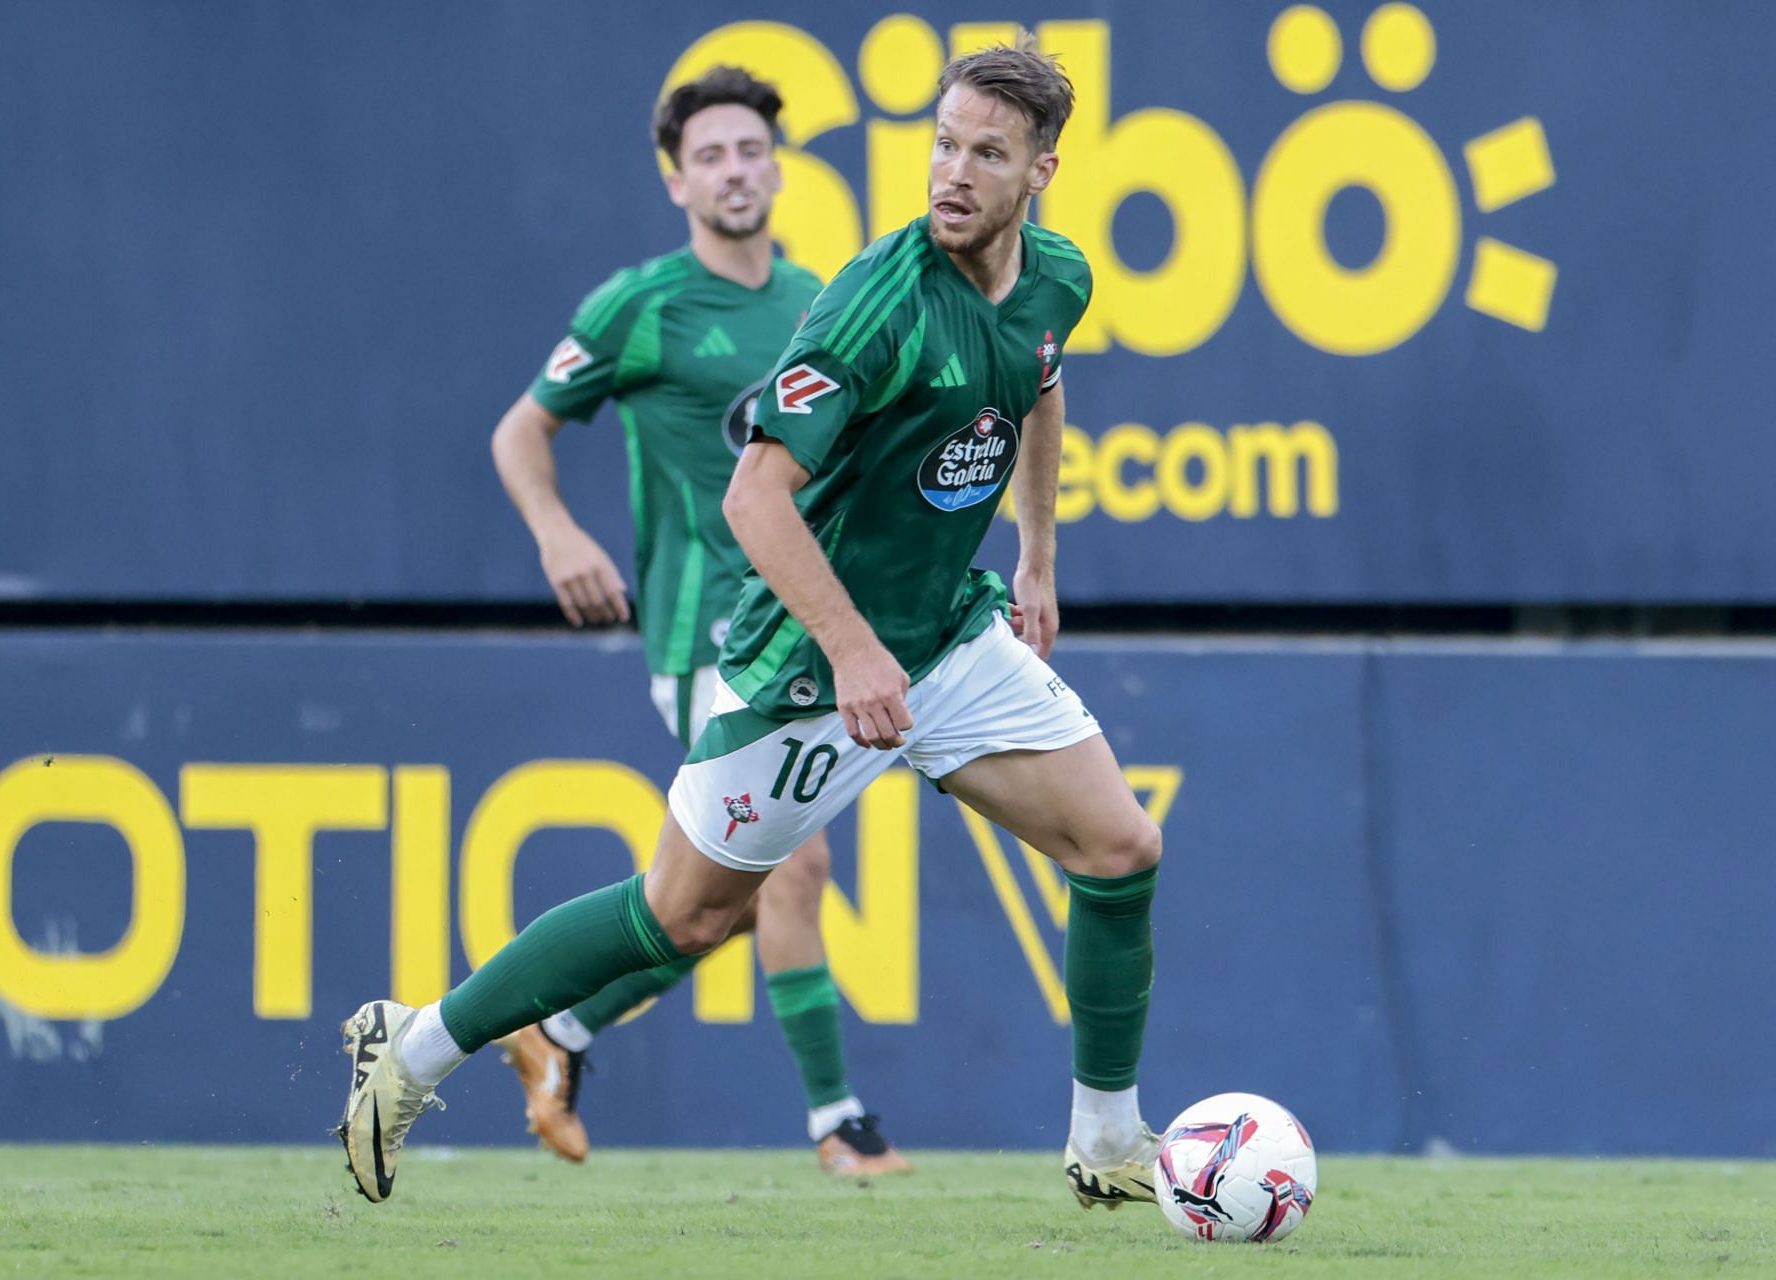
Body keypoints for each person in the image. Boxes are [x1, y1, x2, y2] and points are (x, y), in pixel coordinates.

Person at [337, 36, 1165, 1213]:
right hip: (807, 666)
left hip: (946, 636)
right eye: (941, 143)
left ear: (1042, 172)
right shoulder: (876, 300)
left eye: (988, 151)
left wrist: (1036, 550)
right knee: (684, 911)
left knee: (1121, 848)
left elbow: (1037, 380)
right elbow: (752, 496)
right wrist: (851, 649)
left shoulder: (1058, 276)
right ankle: (410, 1049)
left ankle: (1108, 1138)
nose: (954, 172)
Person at [482, 66, 907, 1175]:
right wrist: (557, 535)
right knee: (792, 868)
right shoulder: (644, 305)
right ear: (678, 181)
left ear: (777, 166)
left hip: (810, 630)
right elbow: (520, 433)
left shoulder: (822, 300)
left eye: (750, 150)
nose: (734, 170)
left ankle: (559, 1028)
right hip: (702, 637)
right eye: (710, 155)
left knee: (716, 898)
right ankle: (840, 1124)